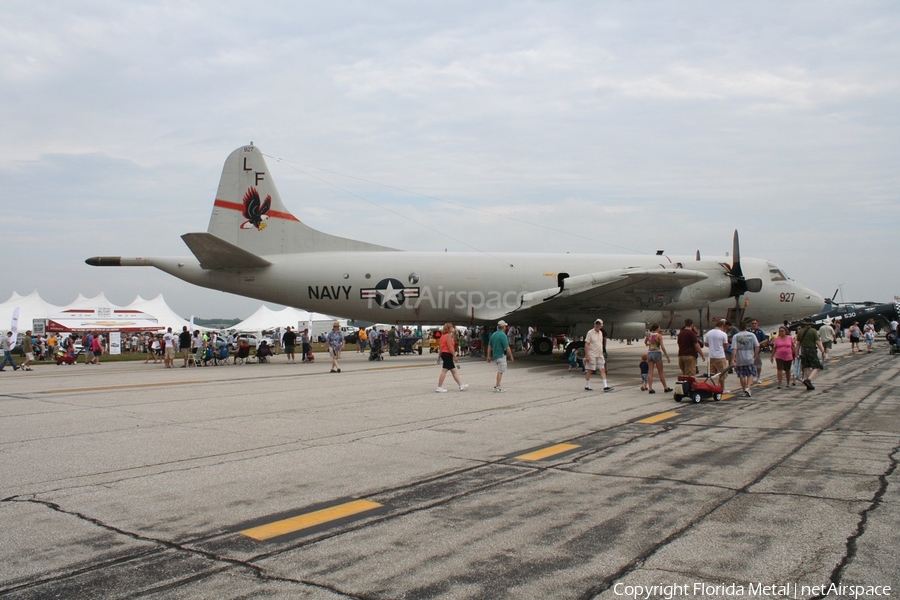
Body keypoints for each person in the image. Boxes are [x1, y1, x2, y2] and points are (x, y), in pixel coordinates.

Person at [731, 321, 760, 397]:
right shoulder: (751, 335)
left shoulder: (735, 336)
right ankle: (748, 388)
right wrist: (755, 355)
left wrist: (732, 359)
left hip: (740, 359)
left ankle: (744, 390)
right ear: (746, 327)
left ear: (739, 328)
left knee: (742, 376)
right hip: (749, 358)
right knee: (750, 374)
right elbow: (757, 346)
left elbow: (734, 348)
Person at [436, 323, 467, 392]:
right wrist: (454, 356)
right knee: (445, 371)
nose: (452, 328)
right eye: (451, 327)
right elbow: (450, 347)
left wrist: (439, 357)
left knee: (453, 371)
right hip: (448, 354)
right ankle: (439, 387)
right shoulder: (448, 336)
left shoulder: (442, 336)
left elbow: (441, 348)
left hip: (444, 354)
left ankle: (461, 385)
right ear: (448, 328)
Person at [584, 319, 614, 392]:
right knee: (590, 370)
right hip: (592, 354)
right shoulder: (590, 333)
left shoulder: (600, 332)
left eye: (599, 324)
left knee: (602, 369)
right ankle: (587, 385)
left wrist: (603, 353)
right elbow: (587, 344)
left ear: (601, 325)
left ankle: (605, 386)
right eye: (596, 324)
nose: (597, 325)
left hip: (599, 354)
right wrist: (587, 355)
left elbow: (600, 344)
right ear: (594, 324)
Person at [796, 318, 824, 390]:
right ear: (811, 324)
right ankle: (808, 380)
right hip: (811, 349)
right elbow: (817, 341)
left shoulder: (800, 332)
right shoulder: (813, 331)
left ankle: (807, 382)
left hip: (803, 350)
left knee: (806, 366)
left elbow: (798, 344)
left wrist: (796, 354)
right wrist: (822, 350)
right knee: (817, 366)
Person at [643, 323, 672, 394]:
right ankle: (665, 387)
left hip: (650, 353)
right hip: (657, 353)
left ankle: (650, 388)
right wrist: (667, 356)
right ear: (657, 328)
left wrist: (648, 345)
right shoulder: (659, 336)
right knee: (660, 372)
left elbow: (645, 342)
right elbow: (662, 347)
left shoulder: (649, 335)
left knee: (650, 372)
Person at [487, 320, 514, 392]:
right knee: (500, 371)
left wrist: (488, 356)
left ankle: (497, 385)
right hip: (501, 355)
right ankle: (497, 386)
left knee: (500, 370)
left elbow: (489, 346)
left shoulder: (494, 334)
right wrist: (511, 356)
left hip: (495, 355)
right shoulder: (503, 335)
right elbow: (507, 346)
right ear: (503, 327)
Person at [705, 319, 730, 387]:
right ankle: (722, 388)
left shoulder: (709, 333)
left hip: (711, 356)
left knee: (712, 374)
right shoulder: (723, 334)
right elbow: (726, 345)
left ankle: (713, 387)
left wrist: (713, 346)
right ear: (722, 326)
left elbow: (706, 344)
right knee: (722, 373)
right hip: (720, 356)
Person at [748, 318, 768, 383]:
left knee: (758, 365)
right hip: (749, 351)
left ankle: (758, 377)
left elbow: (765, 340)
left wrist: (759, 344)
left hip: (757, 351)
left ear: (757, 324)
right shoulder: (748, 332)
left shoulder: (760, 331)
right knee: (750, 365)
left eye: (755, 323)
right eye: (753, 323)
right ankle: (751, 377)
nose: (754, 325)